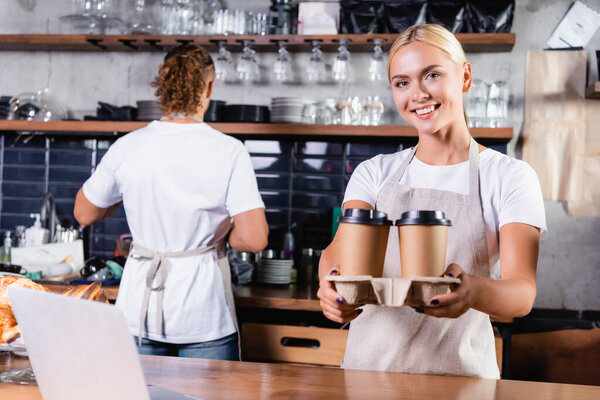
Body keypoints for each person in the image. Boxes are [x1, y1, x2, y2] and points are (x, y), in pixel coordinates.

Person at [317, 24, 546, 378]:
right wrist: (330, 288)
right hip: (367, 376)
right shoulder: (374, 173)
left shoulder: (510, 176)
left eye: (432, 75)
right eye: (402, 82)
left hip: (461, 380)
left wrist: (473, 291)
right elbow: (337, 254)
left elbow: (521, 294)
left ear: (465, 77)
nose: (418, 94)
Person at [73, 44, 268, 360]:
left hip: (138, 314)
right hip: (206, 318)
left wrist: (129, 195)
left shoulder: (128, 147)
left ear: (161, 88)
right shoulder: (230, 150)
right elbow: (254, 239)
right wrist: (224, 232)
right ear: (209, 87)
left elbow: (84, 211)